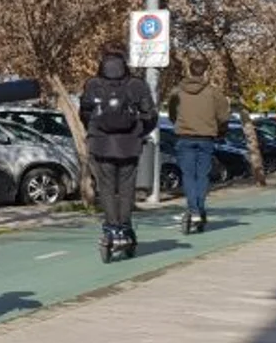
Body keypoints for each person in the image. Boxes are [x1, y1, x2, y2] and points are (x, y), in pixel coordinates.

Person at [81, 43, 157, 249]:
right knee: (126, 187)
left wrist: (96, 129)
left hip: (101, 144)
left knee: (105, 187)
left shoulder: (93, 84)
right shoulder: (137, 85)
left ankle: (112, 227)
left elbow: (85, 112)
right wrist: (139, 132)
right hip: (129, 144)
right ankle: (124, 227)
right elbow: (151, 115)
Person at [168, 56, 225, 229]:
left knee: (188, 175)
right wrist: (218, 127)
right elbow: (223, 116)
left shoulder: (177, 92)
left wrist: (181, 122)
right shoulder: (214, 93)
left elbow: (172, 114)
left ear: (189, 71)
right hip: (206, 137)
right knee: (202, 175)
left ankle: (193, 209)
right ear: (206, 73)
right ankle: (198, 208)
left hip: (184, 137)